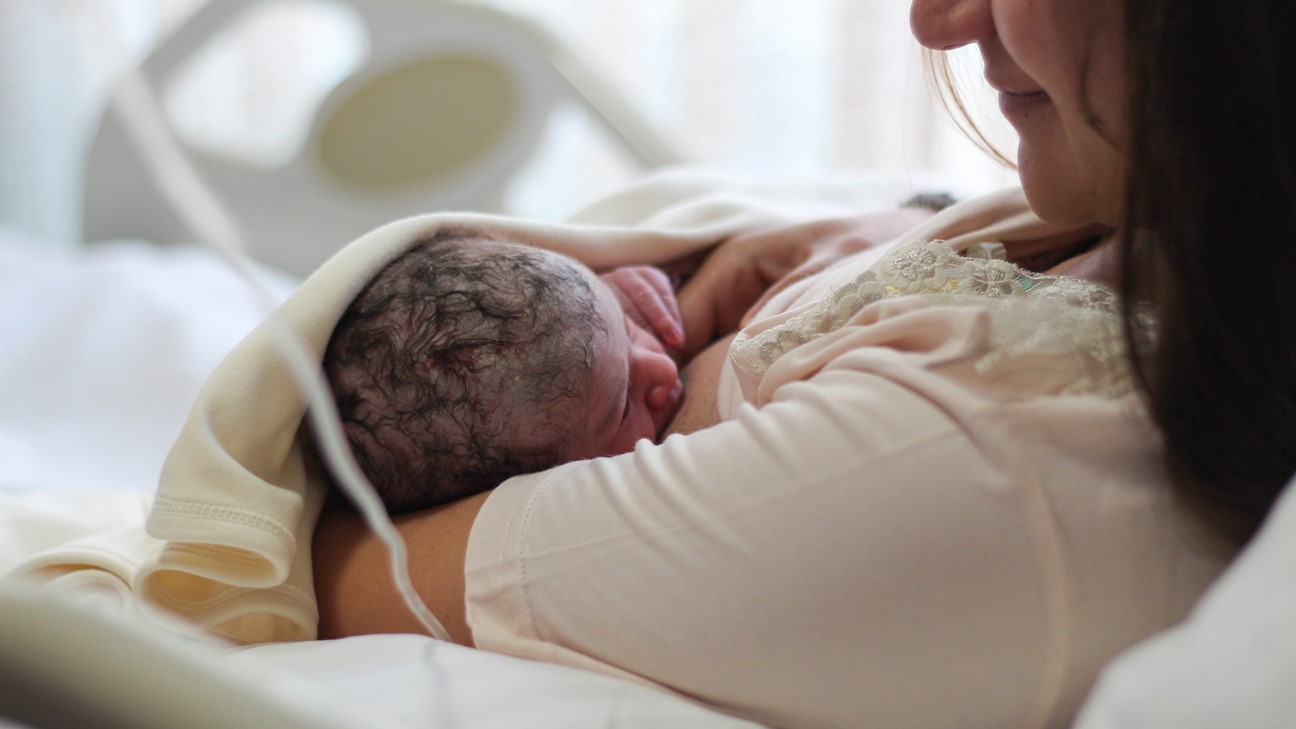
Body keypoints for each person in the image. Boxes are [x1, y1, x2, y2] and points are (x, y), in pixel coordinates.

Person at [310, 0, 1296, 726]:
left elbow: (320, 568)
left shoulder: (984, 464)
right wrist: (882, 233)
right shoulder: (1154, 222)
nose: (936, 22)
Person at [320, 225, 685, 514]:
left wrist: (638, 288)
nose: (664, 366)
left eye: (627, 326)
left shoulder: (587, 341)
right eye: (621, 411)